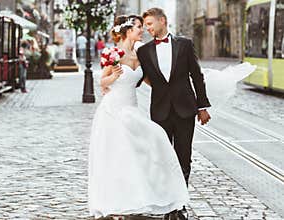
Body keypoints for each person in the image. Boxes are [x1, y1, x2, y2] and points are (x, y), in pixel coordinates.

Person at [88, 15, 189, 220]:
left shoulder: (141, 54)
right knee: (118, 156)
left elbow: (152, 81)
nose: (141, 30)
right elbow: (103, 82)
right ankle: (115, 204)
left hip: (132, 109)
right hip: (114, 110)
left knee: (151, 144)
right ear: (127, 31)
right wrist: (114, 76)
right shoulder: (113, 53)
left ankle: (145, 196)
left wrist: (175, 85)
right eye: (138, 27)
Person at [136, 8, 211, 219]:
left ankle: (180, 203)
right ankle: (168, 203)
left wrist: (202, 106)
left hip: (186, 110)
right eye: (145, 25)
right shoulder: (144, 51)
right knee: (162, 158)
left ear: (162, 21)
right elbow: (141, 77)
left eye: (150, 24)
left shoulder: (185, 44)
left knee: (183, 157)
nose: (147, 29)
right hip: (160, 112)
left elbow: (197, 76)